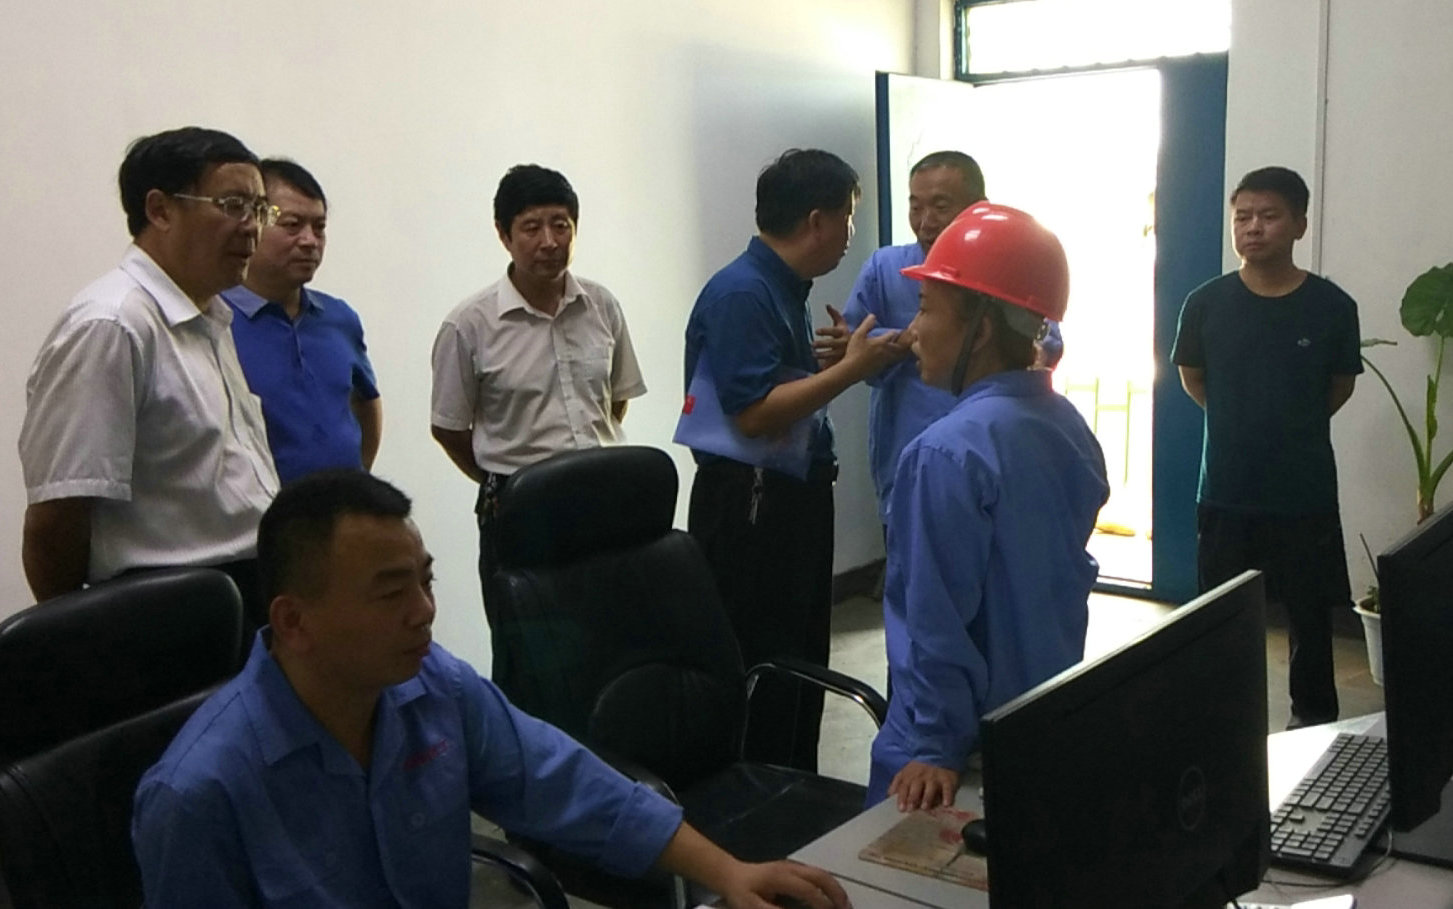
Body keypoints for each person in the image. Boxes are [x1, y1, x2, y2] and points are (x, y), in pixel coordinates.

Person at [131, 470, 851, 909]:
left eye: (426, 581)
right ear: (293, 621)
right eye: (390, 592)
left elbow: (566, 781)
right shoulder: (199, 793)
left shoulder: (430, 685)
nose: (424, 611)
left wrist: (729, 872)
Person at [868, 202, 1109, 810]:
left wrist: (934, 746)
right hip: (1044, 717)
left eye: (926, 309)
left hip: (955, 747)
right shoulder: (1067, 426)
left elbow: (934, 619)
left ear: (979, 331)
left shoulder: (944, 454)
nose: (913, 331)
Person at [683, 149, 909, 772]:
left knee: (802, 659)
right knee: (765, 662)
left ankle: (793, 784)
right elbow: (754, 414)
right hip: (751, 505)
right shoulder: (743, 292)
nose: (849, 234)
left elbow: (774, 388)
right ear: (817, 220)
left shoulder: (782, 287)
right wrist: (851, 371)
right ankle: (762, 795)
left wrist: (825, 363)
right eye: (848, 217)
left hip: (790, 496)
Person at [18, 126, 278, 618]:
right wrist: (79, 639)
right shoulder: (112, 324)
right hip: (164, 611)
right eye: (232, 205)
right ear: (160, 210)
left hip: (244, 595)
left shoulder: (208, 318)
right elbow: (57, 518)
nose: (252, 228)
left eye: (260, 209)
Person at [1172, 165, 1361, 729]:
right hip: (1226, 492)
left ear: (1299, 224)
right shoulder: (1206, 303)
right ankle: (1223, 722)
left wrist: (1288, 424)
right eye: (1243, 217)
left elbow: (1339, 385)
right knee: (1221, 618)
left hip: (1304, 493)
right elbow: (1193, 376)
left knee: (1311, 618)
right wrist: (1240, 421)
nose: (1253, 227)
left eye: (1269, 215)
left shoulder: (1332, 306)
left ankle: (1315, 721)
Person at [431, 164, 646, 613]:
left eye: (560, 225)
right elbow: (449, 428)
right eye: (531, 228)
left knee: (612, 626)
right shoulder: (469, 325)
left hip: (602, 496)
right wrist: (507, 479)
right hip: (520, 507)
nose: (549, 241)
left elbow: (615, 399)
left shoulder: (601, 305)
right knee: (528, 633)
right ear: (503, 234)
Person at [841, 151, 983, 528]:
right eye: (915, 207)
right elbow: (853, 348)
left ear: (978, 207)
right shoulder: (887, 268)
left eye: (940, 206)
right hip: (905, 447)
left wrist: (903, 341)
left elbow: (1043, 346)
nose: (925, 221)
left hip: (983, 448)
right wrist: (898, 342)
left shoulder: (1003, 267)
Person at [222, 158, 382, 485]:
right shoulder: (214, 321)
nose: (310, 241)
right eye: (292, 225)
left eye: (319, 227)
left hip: (341, 507)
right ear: (253, 222)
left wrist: (359, 480)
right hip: (258, 512)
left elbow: (366, 403)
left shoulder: (339, 317)